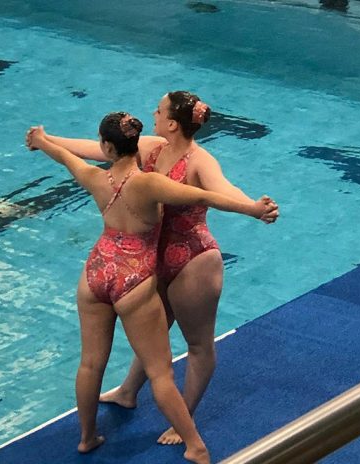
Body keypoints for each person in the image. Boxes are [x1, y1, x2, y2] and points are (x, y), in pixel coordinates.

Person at [26, 91, 279, 445]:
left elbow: (219, 191)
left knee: (198, 344)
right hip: (149, 261)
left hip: (193, 259)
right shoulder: (152, 147)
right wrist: (48, 139)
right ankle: (128, 392)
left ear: (172, 123)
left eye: (158, 111)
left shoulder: (199, 160)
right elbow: (96, 149)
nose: (153, 113)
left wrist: (252, 206)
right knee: (155, 339)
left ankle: (184, 420)